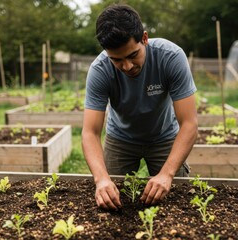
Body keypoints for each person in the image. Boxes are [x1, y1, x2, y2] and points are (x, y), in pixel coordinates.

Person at [82, 3, 198, 210]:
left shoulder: (170, 57)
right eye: (117, 60)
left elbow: (189, 123)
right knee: (111, 197)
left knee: (178, 202)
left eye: (133, 55)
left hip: (164, 136)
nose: (127, 66)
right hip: (120, 139)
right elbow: (90, 132)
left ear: (144, 38)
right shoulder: (99, 71)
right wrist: (101, 179)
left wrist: (166, 174)